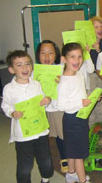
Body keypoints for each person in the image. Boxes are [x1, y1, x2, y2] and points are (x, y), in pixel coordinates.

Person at [1, 50, 54, 183]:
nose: (25, 68)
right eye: (19, 65)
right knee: (25, 165)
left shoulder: (36, 84)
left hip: (40, 131)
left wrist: (46, 100)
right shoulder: (9, 89)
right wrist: (12, 113)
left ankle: (45, 178)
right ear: (11, 70)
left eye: (27, 64)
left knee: (46, 160)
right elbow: (6, 105)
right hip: (23, 135)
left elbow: (42, 102)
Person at [57, 43, 91, 183]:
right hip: (72, 119)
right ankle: (83, 180)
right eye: (72, 57)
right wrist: (81, 103)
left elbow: (79, 96)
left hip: (80, 117)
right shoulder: (64, 81)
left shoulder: (79, 75)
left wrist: (89, 100)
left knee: (72, 148)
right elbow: (61, 105)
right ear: (64, 59)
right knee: (78, 154)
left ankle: (71, 174)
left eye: (79, 57)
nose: (77, 60)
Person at [35, 40, 68, 173]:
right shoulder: (34, 72)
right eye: (43, 53)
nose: (47, 57)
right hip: (41, 109)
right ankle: (45, 162)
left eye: (50, 53)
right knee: (44, 137)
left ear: (56, 55)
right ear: (38, 55)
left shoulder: (61, 69)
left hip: (56, 108)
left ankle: (64, 158)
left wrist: (61, 82)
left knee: (61, 134)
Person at [88, 16, 102, 128]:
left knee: (101, 106)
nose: (100, 29)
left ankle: (100, 131)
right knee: (91, 105)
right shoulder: (86, 44)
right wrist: (88, 51)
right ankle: (91, 130)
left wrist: (99, 50)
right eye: (96, 27)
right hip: (91, 77)